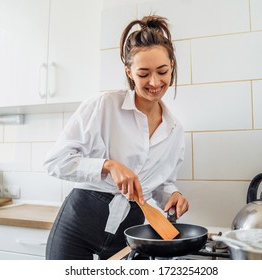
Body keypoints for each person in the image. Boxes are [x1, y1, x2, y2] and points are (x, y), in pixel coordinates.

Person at [44, 15, 189, 260]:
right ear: (129, 72)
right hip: (77, 227)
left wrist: (172, 196)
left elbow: (162, 183)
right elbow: (55, 162)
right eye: (143, 74)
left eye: (162, 71)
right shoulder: (103, 106)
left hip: (130, 233)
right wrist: (107, 166)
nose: (154, 82)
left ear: (172, 65)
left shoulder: (175, 130)